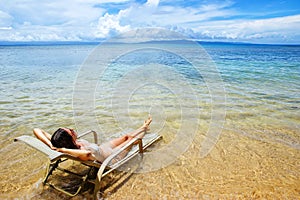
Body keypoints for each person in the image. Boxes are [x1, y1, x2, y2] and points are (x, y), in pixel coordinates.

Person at [33, 117, 152, 163]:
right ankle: (145, 129)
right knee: (131, 139)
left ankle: (143, 127)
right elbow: (88, 153)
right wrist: (63, 149)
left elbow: (37, 130)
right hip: (113, 157)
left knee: (126, 136)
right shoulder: (80, 153)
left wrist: (51, 145)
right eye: (71, 131)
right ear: (69, 139)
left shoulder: (66, 144)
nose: (73, 129)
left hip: (103, 148)